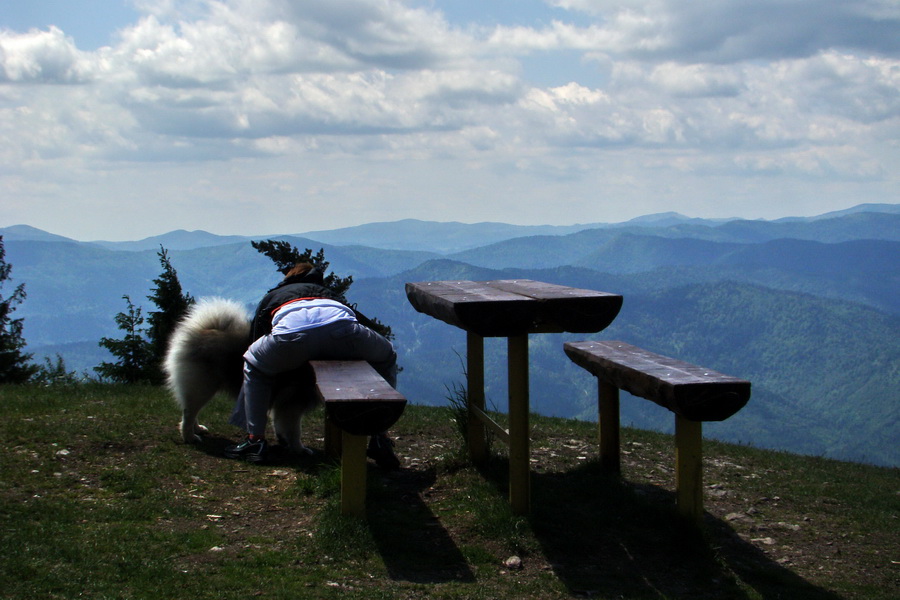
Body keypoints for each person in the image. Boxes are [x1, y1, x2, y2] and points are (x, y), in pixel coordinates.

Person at [224, 262, 400, 467]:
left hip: (292, 337)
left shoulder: (274, 295)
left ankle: (255, 440)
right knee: (387, 355)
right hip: (345, 334)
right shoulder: (328, 293)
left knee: (254, 365)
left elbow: (256, 336)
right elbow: (362, 322)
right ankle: (380, 437)